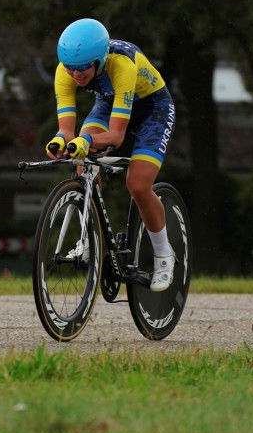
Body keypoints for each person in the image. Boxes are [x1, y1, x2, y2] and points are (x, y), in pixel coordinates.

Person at [46, 18, 177, 292]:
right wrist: (60, 141)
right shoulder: (65, 72)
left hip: (153, 109)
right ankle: (89, 237)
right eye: (71, 68)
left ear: (100, 59)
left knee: (138, 185)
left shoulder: (122, 65)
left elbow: (116, 137)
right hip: (109, 102)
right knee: (81, 161)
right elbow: (67, 132)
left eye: (83, 67)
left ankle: (165, 256)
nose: (77, 74)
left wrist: (87, 140)